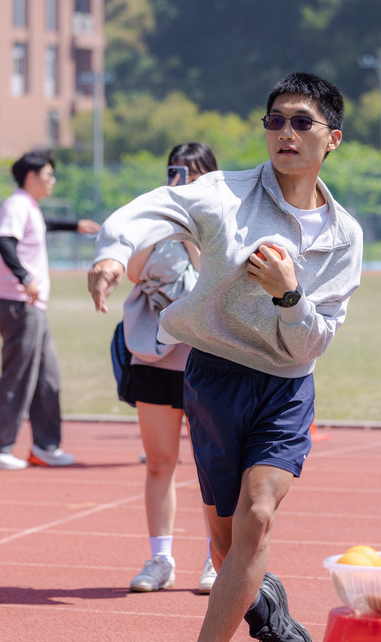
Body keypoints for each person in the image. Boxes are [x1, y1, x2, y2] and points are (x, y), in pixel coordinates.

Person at [88, 72, 363, 642]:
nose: (286, 133)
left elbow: (314, 341)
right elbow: (151, 208)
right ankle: (266, 608)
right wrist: (113, 253)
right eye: (275, 121)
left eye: (302, 122)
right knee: (225, 543)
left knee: (256, 515)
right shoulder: (224, 195)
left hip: (285, 386)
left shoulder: (344, 236)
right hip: (214, 376)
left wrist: (289, 296)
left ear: (332, 138)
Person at [123, 143, 219, 595]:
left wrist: (190, 229)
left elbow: (213, 277)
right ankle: (160, 559)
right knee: (160, 462)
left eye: (197, 175)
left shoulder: (223, 223)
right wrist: (162, 217)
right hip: (156, 356)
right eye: (179, 174)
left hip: (208, 359)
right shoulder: (155, 219)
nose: (186, 183)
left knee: (213, 465)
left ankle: (217, 557)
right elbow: (133, 271)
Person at [0, 149, 100, 471]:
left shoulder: (29, 207)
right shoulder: (17, 204)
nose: (53, 180)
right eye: (48, 175)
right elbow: (4, 241)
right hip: (19, 305)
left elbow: (44, 226)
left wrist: (75, 226)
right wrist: (25, 278)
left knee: (47, 379)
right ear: (31, 177)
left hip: (32, 308)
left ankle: (45, 447)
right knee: (18, 379)